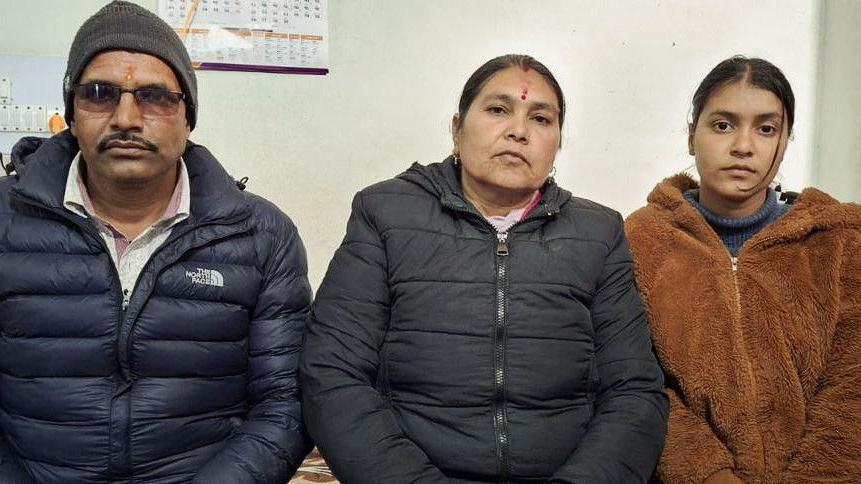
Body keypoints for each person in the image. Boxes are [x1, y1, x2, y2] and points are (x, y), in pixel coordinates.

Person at [301, 54, 668, 483]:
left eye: (541, 119)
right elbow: (332, 373)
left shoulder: (599, 233)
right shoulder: (385, 215)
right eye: (498, 109)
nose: (518, 130)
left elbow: (635, 390)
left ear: (558, 143)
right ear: (457, 129)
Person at [0, 2, 311, 482]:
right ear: (72, 114)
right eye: (100, 94)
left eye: (154, 97)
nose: (126, 117)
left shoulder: (263, 236)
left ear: (188, 118)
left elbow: (283, 407)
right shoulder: (6, 220)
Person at [626, 56, 861, 483]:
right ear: (691, 135)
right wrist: (709, 475)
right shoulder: (643, 239)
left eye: (766, 128)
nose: (743, 146)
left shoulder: (840, 240)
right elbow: (644, 385)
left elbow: (850, 389)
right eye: (723, 125)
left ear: (786, 140)